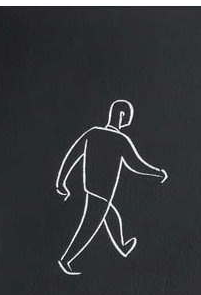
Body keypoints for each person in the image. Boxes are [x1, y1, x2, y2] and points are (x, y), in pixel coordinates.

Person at [56, 99, 168, 275]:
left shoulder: (92, 133)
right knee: (89, 227)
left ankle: (122, 246)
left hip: (92, 188)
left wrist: (61, 182)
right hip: (102, 192)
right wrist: (158, 172)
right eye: (127, 117)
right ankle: (66, 260)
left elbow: (72, 156)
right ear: (121, 115)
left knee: (109, 213)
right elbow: (136, 165)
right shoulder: (120, 140)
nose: (127, 121)